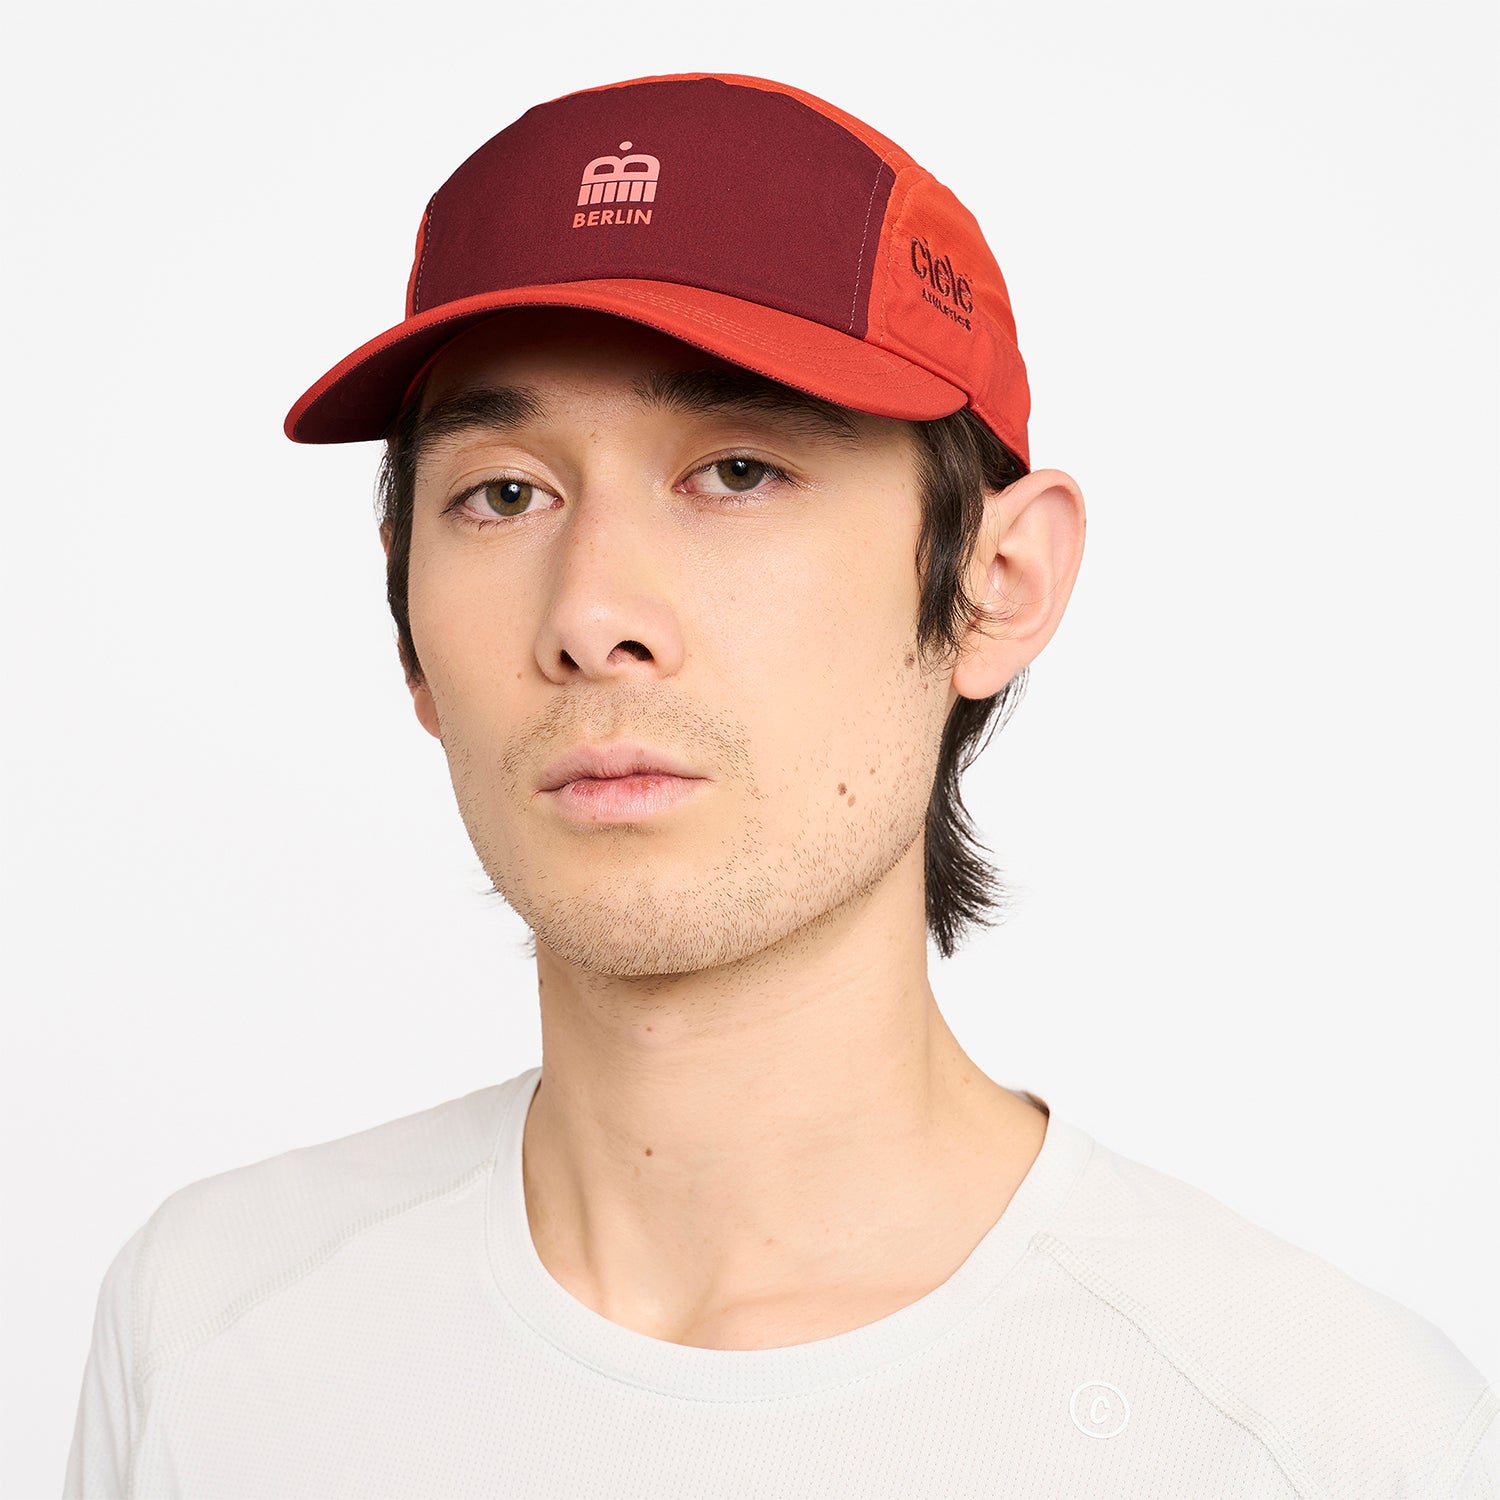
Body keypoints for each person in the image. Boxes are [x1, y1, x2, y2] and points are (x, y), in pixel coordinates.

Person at [63, 71, 1495, 1498]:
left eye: (739, 471)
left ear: (996, 585)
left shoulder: (1319, 1437)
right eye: (504, 494)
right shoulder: (213, 1333)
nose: (591, 616)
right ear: (409, 633)